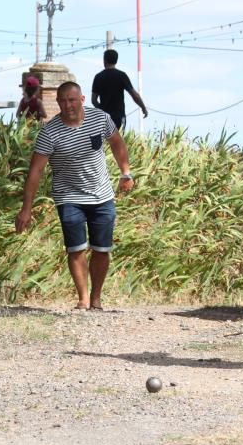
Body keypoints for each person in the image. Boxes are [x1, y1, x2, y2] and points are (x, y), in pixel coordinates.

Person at [15, 81, 134, 310]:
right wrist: (26, 209)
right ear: (57, 102)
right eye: (62, 101)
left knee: (101, 249)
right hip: (68, 196)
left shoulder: (100, 119)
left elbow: (118, 144)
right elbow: (35, 171)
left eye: (71, 100)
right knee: (76, 248)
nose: (67, 105)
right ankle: (83, 297)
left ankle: (97, 299)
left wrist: (126, 173)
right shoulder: (49, 132)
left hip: (102, 195)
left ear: (81, 100)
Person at [91, 49, 148, 131]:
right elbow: (134, 95)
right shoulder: (121, 75)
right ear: (116, 60)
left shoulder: (98, 77)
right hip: (119, 117)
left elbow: (93, 100)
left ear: (104, 60)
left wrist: (102, 110)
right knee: (119, 142)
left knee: (106, 143)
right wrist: (143, 107)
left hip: (104, 119)